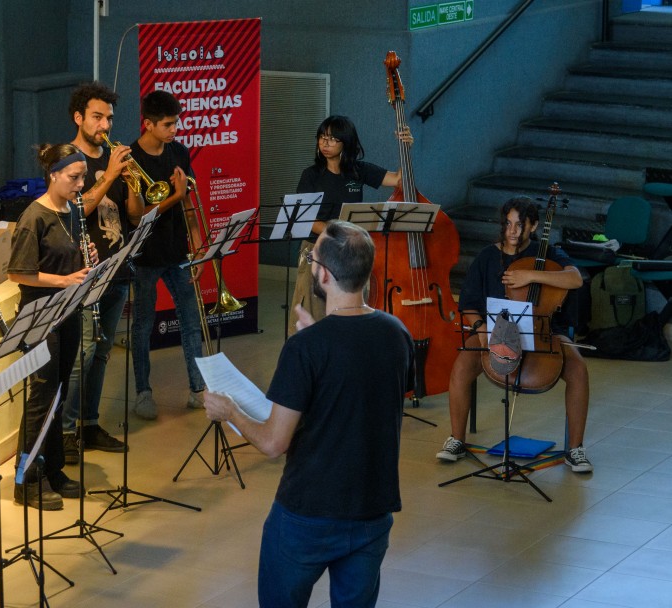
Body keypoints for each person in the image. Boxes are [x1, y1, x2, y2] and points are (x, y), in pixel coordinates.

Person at [203, 220, 413, 608]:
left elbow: (273, 442)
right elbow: (359, 382)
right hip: (373, 508)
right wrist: (319, 335)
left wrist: (229, 410)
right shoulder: (396, 332)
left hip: (309, 512)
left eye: (311, 257)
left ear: (324, 274)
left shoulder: (306, 349)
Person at [436, 197, 593, 472]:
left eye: (520, 225)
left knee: (578, 368)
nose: (512, 231)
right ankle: (456, 440)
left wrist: (532, 276)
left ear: (532, 226)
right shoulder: (486, 257)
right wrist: (479, 327)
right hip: (496, 332)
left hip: (546, 331)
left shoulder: (548, 254)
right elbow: (469, 305)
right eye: (508, 224)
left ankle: (575, 449)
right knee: (462, 364)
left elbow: (575, 278)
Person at [59, 81, 144, 463]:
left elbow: (134, 215)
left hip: (118, 266)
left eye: (109, 117)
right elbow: (77, 211)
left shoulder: (113, 158)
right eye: (97, 117)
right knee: (84, 353)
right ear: (78, 118)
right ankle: (65, 432)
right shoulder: (66, 162)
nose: (105, 125)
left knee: (104, 351)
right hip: (84, 272)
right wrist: (109, 175)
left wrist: (133, 187)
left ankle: (90, 424)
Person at [7, 143, 95, 509]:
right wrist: (65, 281)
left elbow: (70, 260)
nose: (79, 185)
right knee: (42, 396)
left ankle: (53, 468)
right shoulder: (34, 217)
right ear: (54, 175)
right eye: (73, 178)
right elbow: (18, 273)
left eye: (83, 178)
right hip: (41, 315)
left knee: (59, 392)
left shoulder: (73, 211)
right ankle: (27, 480)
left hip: (68, 312)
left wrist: (88, 261)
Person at [289, 115, 412, 334]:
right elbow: (304, 218)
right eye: (322, 137)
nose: (325, 143)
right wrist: (336, 232)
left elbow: (399, 179)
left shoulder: (357, 170)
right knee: (313, 313)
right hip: (317, 250)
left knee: (350, 310)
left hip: (350, 252)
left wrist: (406, 148)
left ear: (346, 142)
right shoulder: (311, 175)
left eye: (333, 139)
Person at [129, 90, 206, 420]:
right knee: (144, 324)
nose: (175, 129)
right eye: (168, 124)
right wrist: (174, 196)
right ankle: (143, 392)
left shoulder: (179, 152)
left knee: (191, 320)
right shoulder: (131, 159)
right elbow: (137, 215)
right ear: (148, 124)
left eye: (176, 123)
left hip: (178, 250)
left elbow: (188, 201)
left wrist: (199, 244)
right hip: (145, 255)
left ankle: (198, 388)